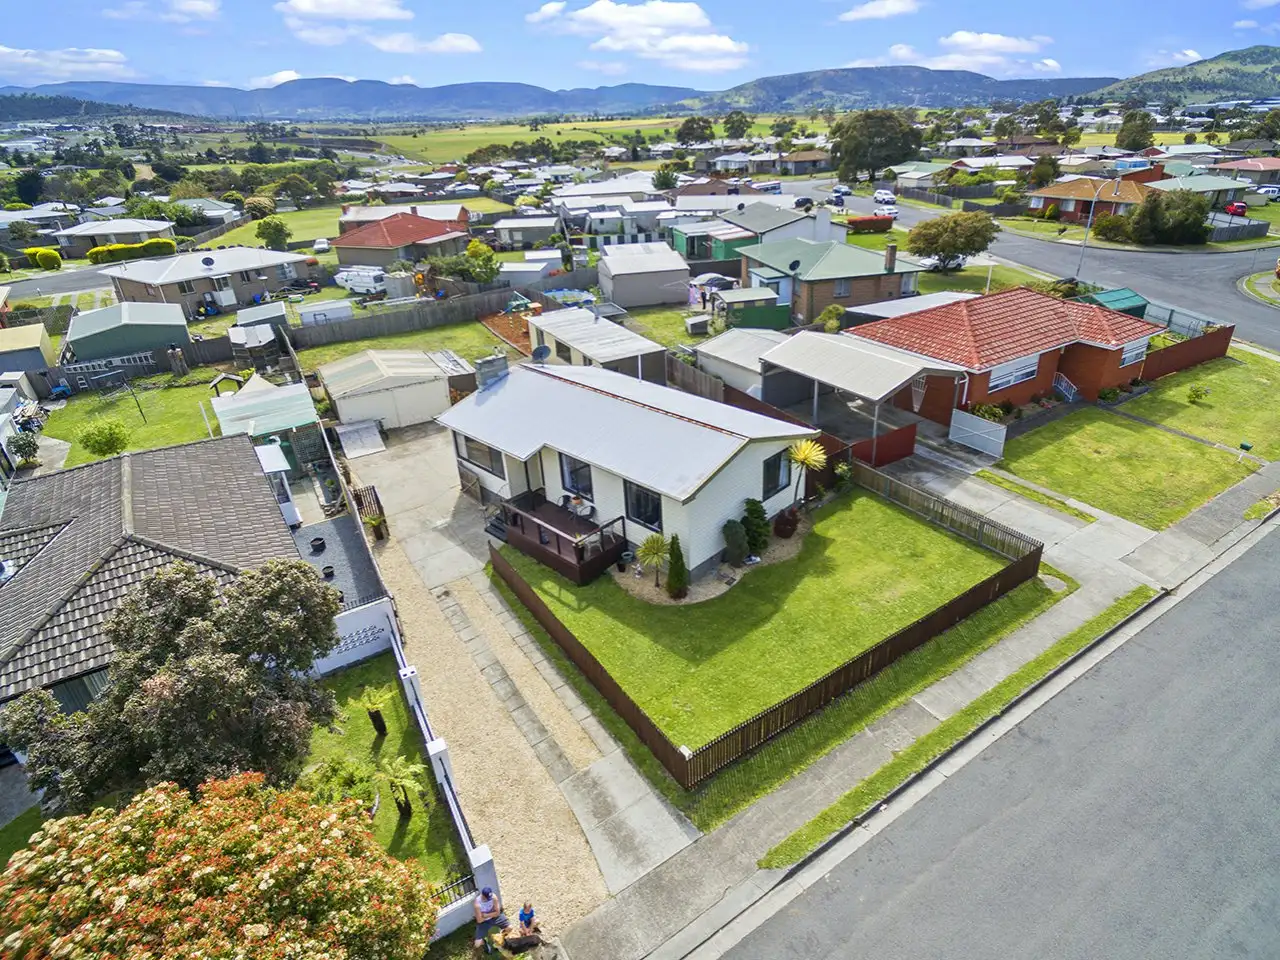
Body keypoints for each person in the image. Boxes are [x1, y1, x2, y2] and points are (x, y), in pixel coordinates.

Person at [473, 886, 509, 956]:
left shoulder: (493, 897)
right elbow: (479, 920)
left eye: (490, 897)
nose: (490, 899)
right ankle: (484, 942)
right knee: (477, 944)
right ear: (483, 896)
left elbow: (498, 913)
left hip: (494, 918)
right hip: (484, 922)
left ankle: (500, 940)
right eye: (488, 898)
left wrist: (486, 915)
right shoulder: (477, 903)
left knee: (510, 928)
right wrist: (493, 913)